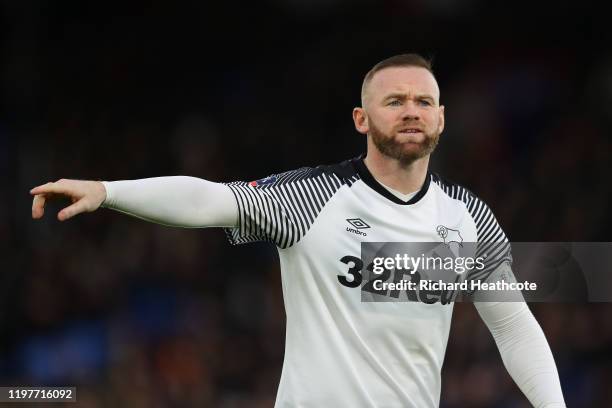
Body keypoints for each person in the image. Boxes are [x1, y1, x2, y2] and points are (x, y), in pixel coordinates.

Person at [30, 54, 566, 407]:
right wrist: (109, 190)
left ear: (442, 118)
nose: (411, 112)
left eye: (423, 101)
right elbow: (213, 199)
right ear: (361, 118)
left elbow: (514, 327)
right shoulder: (309, 198)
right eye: (394, 101)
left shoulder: (468, 218)